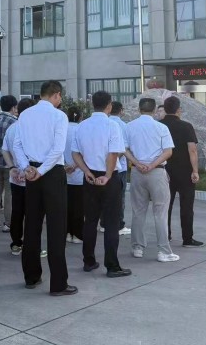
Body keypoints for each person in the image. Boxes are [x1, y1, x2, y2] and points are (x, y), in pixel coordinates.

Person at [12, 80, 77, 296]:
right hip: (52, 173)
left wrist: (27, 168)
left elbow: (17, 145)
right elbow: (58, 149)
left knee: (32, 225)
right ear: (56, 95)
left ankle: (31, 276)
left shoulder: (25, 114)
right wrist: (40, 171)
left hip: (32, 172)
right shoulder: (59, 116)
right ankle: (58, 283)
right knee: (56, 228)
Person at [72, 91, 131, 278]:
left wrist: (87, 172)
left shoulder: (82, 125)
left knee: (90, 220)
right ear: (109, 105)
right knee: (112, 223)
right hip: (109, 177)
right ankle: (112, 266)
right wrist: (107, 175)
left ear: (92, 104)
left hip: (90, 177)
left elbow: (75, 153)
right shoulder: (112, 125)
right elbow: (113, 153)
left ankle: (88, 261)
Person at [124, 98, 178, 263]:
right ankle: (163, 251)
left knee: (138, 211)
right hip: (157, 172)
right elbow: (168, 152)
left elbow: (124, 149)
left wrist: (137, 163)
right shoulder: (161, 127)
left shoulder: (129, 127)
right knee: (160, 212)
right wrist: (152, 165)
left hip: (137, 172)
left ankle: (137, 248)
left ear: (139, 109)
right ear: (155, 110)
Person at [2, 98, 43, 256]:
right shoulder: (33, 128)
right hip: (33, 177)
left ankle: (16, 243)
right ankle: (33, 246)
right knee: (34, 213)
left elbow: (4, 150)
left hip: (16, 178)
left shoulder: (12, 128)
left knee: (17, 211)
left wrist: (12, 167)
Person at [161, 96, 203, 248]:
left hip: (164, 171)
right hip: (185, 171)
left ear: (164, 109)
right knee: (186, 206)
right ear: (178, 109)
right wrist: (195, 171)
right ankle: (187, 238)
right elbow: (192, 150)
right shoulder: (186, 126)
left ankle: (166, 235)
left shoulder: (159, 126)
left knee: (166, 205)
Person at [0, 95, 18, 232]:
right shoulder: (14, 121)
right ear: (13, 107)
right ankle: (8, 223)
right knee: (9, 193)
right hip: (9, 161)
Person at [108, 101, 131, 235]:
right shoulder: (123, 125)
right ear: (121, 110)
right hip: (119, 168)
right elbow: (124, 148)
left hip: (103, 166)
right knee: (119, 198)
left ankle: (104, 223)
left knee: (105, 197)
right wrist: (114, 160)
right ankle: (119, 225)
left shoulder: (105, 123)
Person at [63, 107, 84, 245]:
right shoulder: (82, 130)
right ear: (80, 117)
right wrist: (75, 166)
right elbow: (84, 151)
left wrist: (66, 165)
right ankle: (77, 234)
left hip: (63, 171)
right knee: (79, 206)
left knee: (66, 205)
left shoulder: (62, 129)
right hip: (79, 172)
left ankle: (67, 232)